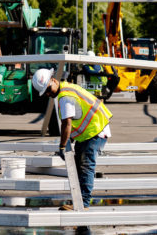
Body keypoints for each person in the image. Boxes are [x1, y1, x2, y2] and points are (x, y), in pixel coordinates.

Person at [32, 68, 112, 211]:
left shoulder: (65, 96)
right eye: (47, 93)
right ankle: (79, 199)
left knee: (86, 165)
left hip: (96, 130)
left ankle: (84, 203)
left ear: (54, 80)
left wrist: (62, 146)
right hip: (91, 131)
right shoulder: (66, 89)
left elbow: (66, 123)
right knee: (79, 165)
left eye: (49, 89)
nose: (49, 94)